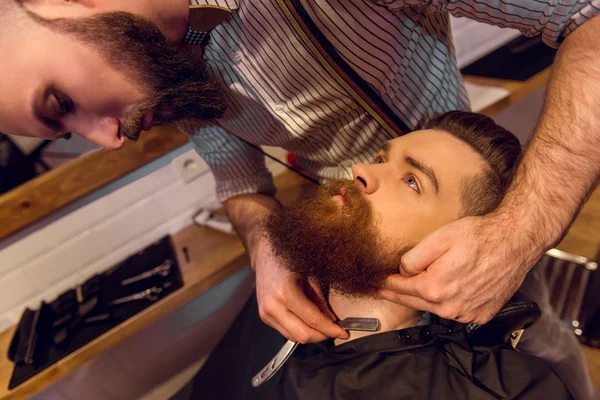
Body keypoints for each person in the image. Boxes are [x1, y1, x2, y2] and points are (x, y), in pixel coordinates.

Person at [2, 1, 598, 397]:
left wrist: (519, 231)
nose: (106, 140)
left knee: (537, 338)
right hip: (357, 240)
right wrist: (265, 248)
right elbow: (240, 183)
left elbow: (587, 15)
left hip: (473, 204)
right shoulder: (166, 68)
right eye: (65, 131)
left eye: (59, 104)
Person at [171, 111, 571, 399]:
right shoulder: (294, 272)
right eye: (382, 159)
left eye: (412, 181)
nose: (362, 169)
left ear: (455, 248)